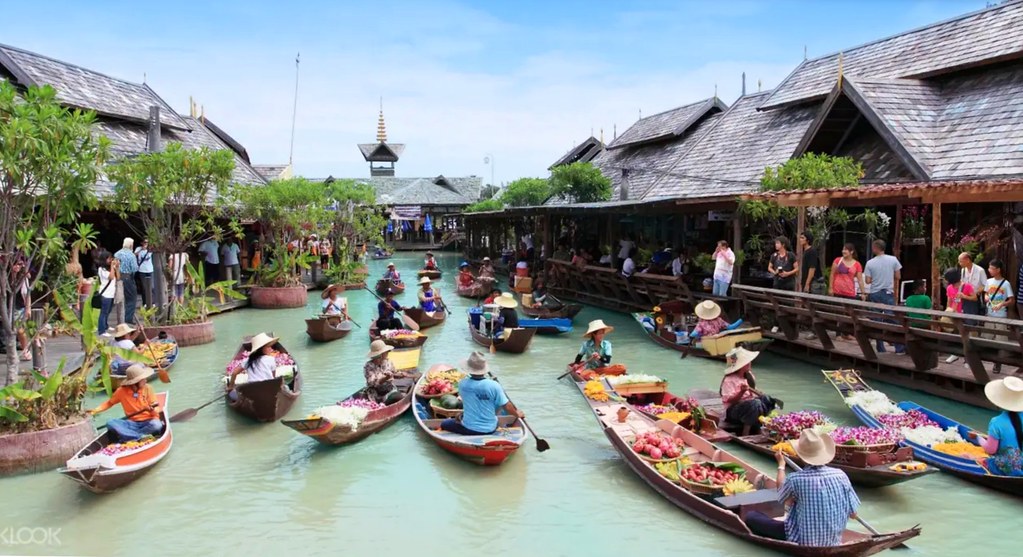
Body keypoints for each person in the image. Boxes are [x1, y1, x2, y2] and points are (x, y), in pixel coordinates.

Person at [745, 429, 860, 546]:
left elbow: (780, 496)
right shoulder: (841, 475)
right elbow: (853, 514)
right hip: (834, 541)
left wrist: (781, 465)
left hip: (801, 539)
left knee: (751, 516)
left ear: (801, 455)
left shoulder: (796, 479)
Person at [440, 352, 523, 435]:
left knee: (444, 423)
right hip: (491, 428)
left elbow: (470, 402)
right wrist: (517, 414)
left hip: (469, 428)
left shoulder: (462, 384)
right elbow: (507, 406)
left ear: (469, 369)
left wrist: (462, 416)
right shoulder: (494, 385)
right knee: (498, 403)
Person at [88, 364, 163, 442]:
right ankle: (139, 437)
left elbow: (156, 409)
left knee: (156, 425)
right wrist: (94, 411)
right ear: (135, 382)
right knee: (111, 423)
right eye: (143, 379)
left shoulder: (148, 388)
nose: (145, 380)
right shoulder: (121, 391)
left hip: (149, 422)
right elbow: (109, 403)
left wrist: (151, 410)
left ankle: (130, 436)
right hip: (132, 423)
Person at [970, 377, 1023, 477]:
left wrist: (978, 438)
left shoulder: (996, 422)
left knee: (967, 456)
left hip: (1008, 467)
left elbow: (991, 450)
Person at [719, 348, 780, 433]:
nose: (749, 363)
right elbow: (729, 400)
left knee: (767, 400)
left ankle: (762, 424)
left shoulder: (749, 376)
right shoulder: (729, 380)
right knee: (755, 404)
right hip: (733, 411)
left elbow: (753, 393)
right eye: (746, 362)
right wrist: (741, 392)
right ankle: (746, 432)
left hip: (750, 407)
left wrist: (757, 392)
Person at [863, 240, 904, 354]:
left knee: (877, 320)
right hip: (888, 293)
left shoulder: (870, 263)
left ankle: (881, 348)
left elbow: (868, 280)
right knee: (892, 319)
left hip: (875, 293)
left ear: (875, 248)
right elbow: (898, 276)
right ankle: (899, 348)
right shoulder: (893, 259)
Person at [983, 259, 1014, 373]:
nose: (989, 270)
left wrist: (1002, 304)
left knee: (1000, 340)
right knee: (987, 337)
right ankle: (989, 360)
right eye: (989, 268)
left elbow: (1011, 300)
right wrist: (986, 297)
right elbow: (986, 293)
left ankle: (998, 363)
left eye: (991, 268)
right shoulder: (989, 281)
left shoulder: (1006, 284)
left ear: (998, 270)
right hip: (990, 314)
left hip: (1001, 315)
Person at [943, 268, 975, 364]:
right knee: (954, 334)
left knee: (965, 337)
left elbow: (974, 298)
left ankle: (967, 358)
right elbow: (949, 301)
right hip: (954, 313)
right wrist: (947, 312)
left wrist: (964, 296)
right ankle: (954, 353)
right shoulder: (949, 288)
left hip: (965, 314)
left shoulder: (967, 286)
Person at [114, 238, 139, 325]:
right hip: (128, 277)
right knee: (131, 298)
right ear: (131, 245)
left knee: (120, 297)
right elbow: (135, 268)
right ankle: (128, 318)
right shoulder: (131, 255)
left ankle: (120, 317)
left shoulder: (117, 254)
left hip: (118, 277)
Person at [959, 252, 987, 318]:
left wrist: (976, 292)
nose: (959, 263)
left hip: (976, 298)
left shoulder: (980, 270)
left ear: (968, 260)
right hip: (965, 297)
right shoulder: (963, 270)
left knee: (973, 318)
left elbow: (985, 285)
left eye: (961, 261)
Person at [94, 251, 116, 335]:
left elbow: (117, 276)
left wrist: (115, 267)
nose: (110, 260)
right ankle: (101, 330)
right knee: (104, 312)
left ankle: (105, 325)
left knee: (108, 311)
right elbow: (111, 277)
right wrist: (112, 266)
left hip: (111, 293)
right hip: (105, 293)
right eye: (109, 258)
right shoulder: (101, 269)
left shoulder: (109, 268)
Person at [134, 239, 154, 308]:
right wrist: (141, 249)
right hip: (142, 270)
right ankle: (145, 302)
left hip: (150, 269)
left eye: (147, 242)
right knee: (144, 287)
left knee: (152, 287)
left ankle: (152, 302)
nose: (146, 243)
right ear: (142, 242)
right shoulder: (138, 249)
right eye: (145, 242)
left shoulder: (150, 249)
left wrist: (149, 248)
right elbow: (134, 255)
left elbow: (154, 251)